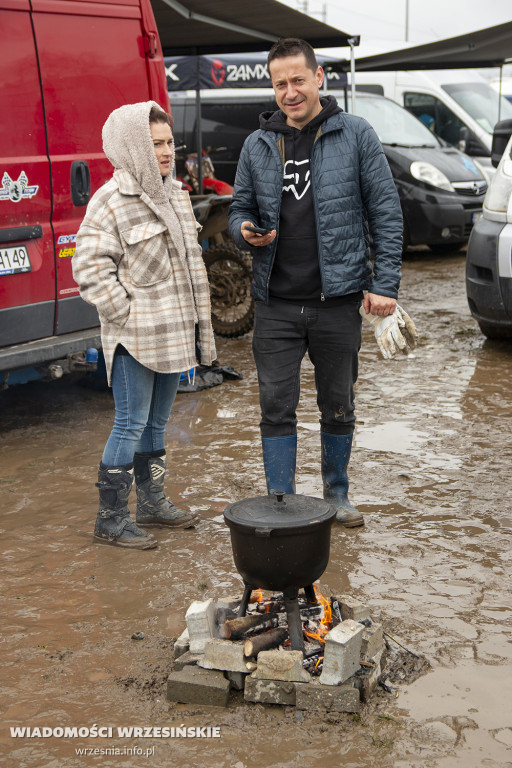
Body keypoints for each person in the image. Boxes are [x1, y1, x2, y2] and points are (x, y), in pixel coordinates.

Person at [228, 38, 403, 528]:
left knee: (338, 404)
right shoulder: (258, 143)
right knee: (275, 406)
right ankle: (280, 503)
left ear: (319, 77)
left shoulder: (356, 134)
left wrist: (384, 283)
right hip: (275, 303)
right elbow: (238, 208)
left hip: (337, 301)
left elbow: (386, 212)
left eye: (297, 80)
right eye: (279, 83)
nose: (289, 92)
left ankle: (338, 495)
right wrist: (242, 231)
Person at [73, 101, 216, 549]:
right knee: (129, 424)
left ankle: (151, 504)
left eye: (169, 142)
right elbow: (90, 269)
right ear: (132, 146)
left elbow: (192, 266)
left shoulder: (175, 194)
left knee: (157, 424)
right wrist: (126, 315)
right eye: (154, 144)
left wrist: (197, 325)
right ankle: (110, 520)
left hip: (174, 333)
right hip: (136, 337)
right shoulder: (109, 201)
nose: (166, 151)